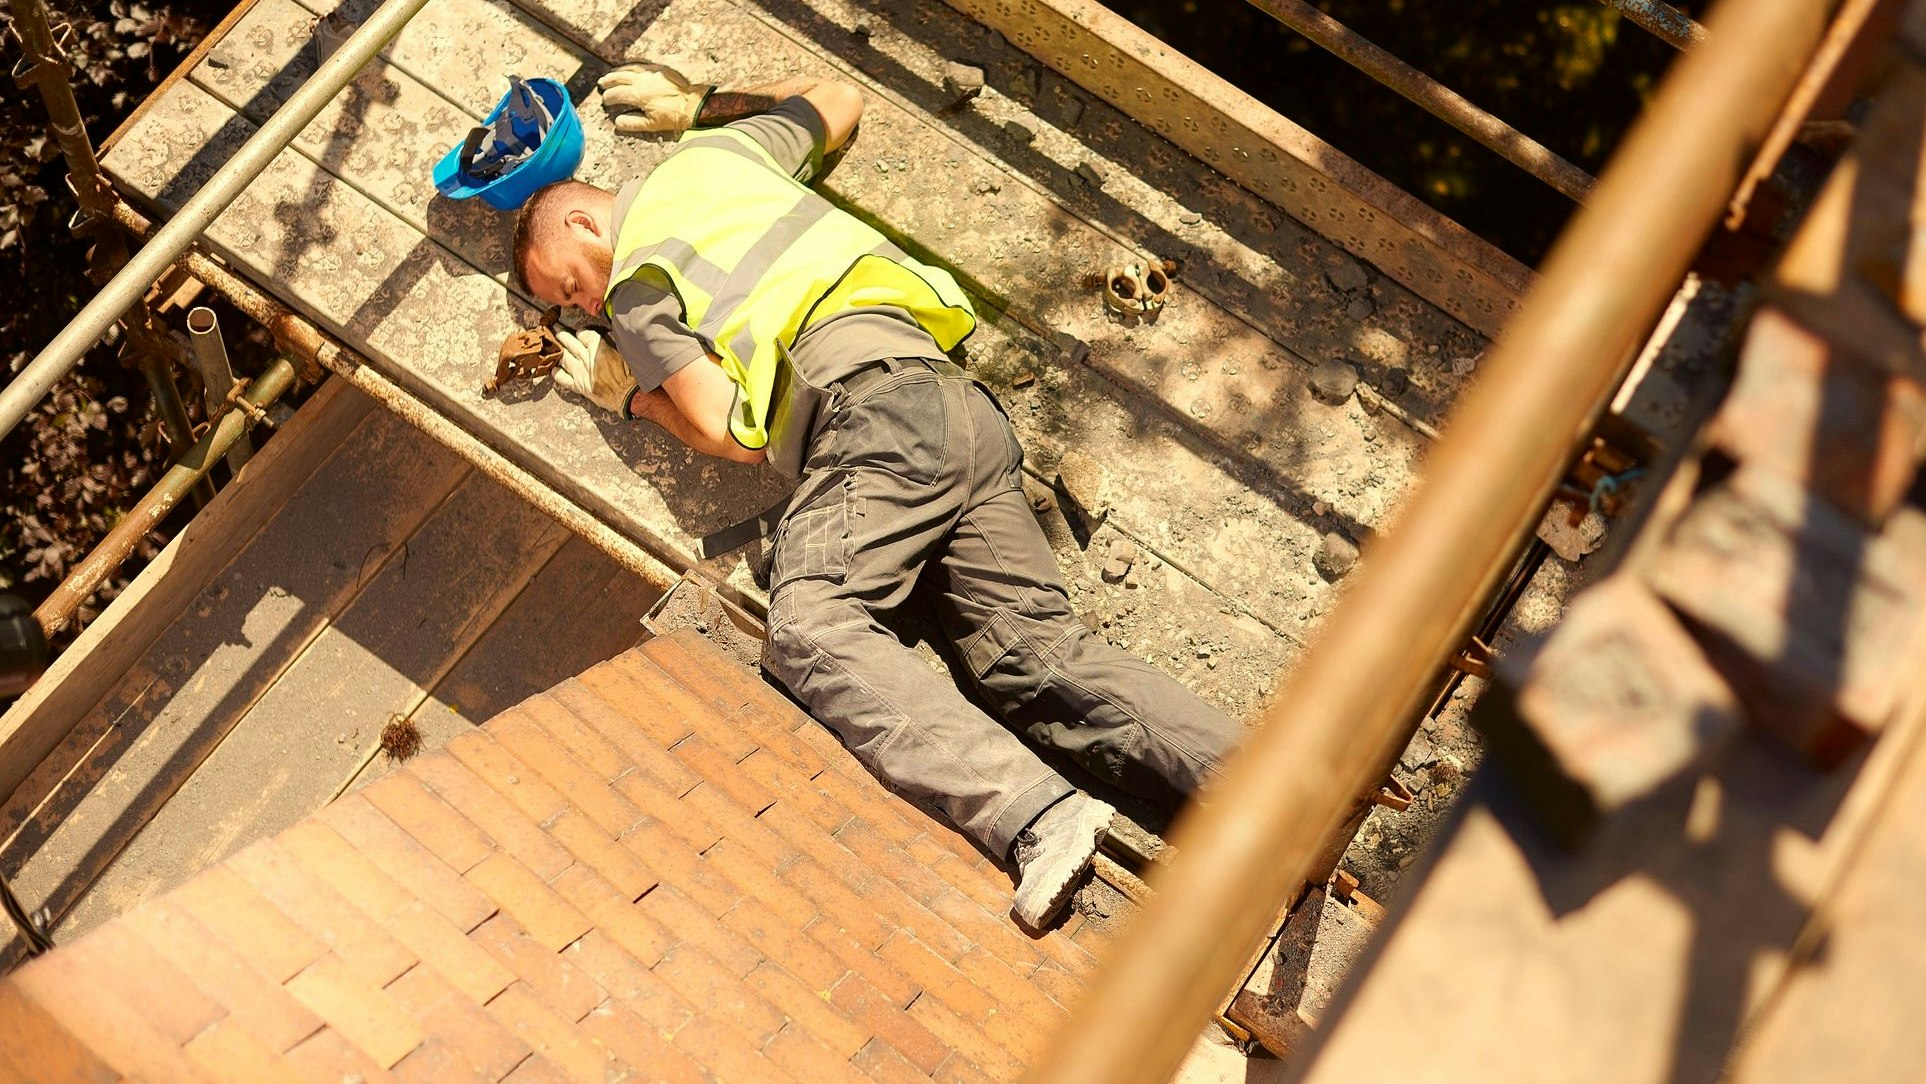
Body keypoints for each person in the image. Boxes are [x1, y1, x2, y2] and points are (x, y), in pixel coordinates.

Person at [513, 69, 1240, 930]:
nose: (586, 309)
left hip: (868, 419)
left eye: (569, 287)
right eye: (573, 307)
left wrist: (630, 397)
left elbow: (727, 431)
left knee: (811, 621)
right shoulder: (715, 155)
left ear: (588, 220)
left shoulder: (635, 286)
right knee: (1030, 661)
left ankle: (1039, 815)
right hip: (954, 407)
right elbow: (838, 98)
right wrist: (705, 102)